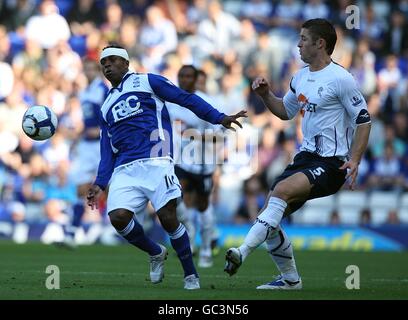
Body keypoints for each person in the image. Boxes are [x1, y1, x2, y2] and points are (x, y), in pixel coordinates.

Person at [224, 18, 371, 290]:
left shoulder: (341, 79)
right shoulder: (300, 76)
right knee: (271, 214)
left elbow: (363, 118)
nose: (298, 43)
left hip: (332, 163)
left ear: (320, 43)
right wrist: (266, 95)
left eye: (303, 38)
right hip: (305, 158)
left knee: (279, 193)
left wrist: (356, 158)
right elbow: (286, 112)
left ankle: (242, 251)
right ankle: (291, 280)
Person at [86, 45, 246, 290]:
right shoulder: (105, 106)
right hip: (124, 169)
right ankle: (155, 252)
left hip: (157, 159)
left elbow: (186, 98)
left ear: (126, 63)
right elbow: (106, 151)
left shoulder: (147, 81)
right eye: (103, 62)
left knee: (168, 218)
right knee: (117, 217)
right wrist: (99, 183)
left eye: (113, 60)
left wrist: (218, 117)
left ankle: (190, 276)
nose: (107, 65)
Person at [168, 65, 220, 268]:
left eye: (189, 76)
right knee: (176, 198)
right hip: (180, 162)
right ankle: (189, 232)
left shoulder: (206, 103)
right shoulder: (171, 101)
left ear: (196, 79)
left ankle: (206, 248)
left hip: (202, 164)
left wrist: (194, 137)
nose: (185, 79)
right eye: (181, 75)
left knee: (203, 206)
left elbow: (219, 136)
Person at [62, 57, 108, 247]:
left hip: (101, 144)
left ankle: (123, 225)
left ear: (97, 71)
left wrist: (100, 130)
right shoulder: (83, 92)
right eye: (86, 69)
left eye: (91, 69)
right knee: (80, 189)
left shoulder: (102, 90)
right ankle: (72, 233)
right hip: (86, 145)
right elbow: (87, 122)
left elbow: (109, 117)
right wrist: (78, 137)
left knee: (109, 186)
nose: (88, 72)